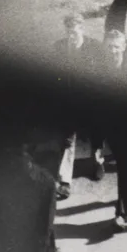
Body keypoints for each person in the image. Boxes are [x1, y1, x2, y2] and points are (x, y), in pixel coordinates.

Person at [53, 12, 105, 194]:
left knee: (95, 134)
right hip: (69, 101)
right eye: (68, 32)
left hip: (91, 100)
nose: (71, 36)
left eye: (74, 32)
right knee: (68, 139)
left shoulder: (95, 48)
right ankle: (65, 180)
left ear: (82, 29)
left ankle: (98, 162)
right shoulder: (58, 48)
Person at [100, 30, 127, 230]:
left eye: (117, 46)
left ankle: (121, 213)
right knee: (124, 165)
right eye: (109, 46)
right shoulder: (101, 69)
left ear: (124, 47)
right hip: (113, 128)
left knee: (124, 166)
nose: (113, 50)